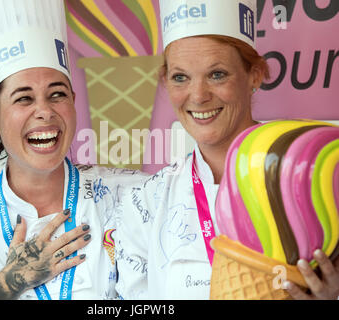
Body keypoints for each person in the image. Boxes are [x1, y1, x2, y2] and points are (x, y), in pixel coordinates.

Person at [115, 0, 339, 300]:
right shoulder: (146, 204)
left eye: (217, 74)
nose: (198, 95)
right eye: (180, 77)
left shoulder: (318, 178)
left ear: (255, 75)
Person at [0, 0, 147, 300]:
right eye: (24, 99)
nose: (45, 111)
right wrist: (5, 286)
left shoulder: (134, 198)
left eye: (57, 94)